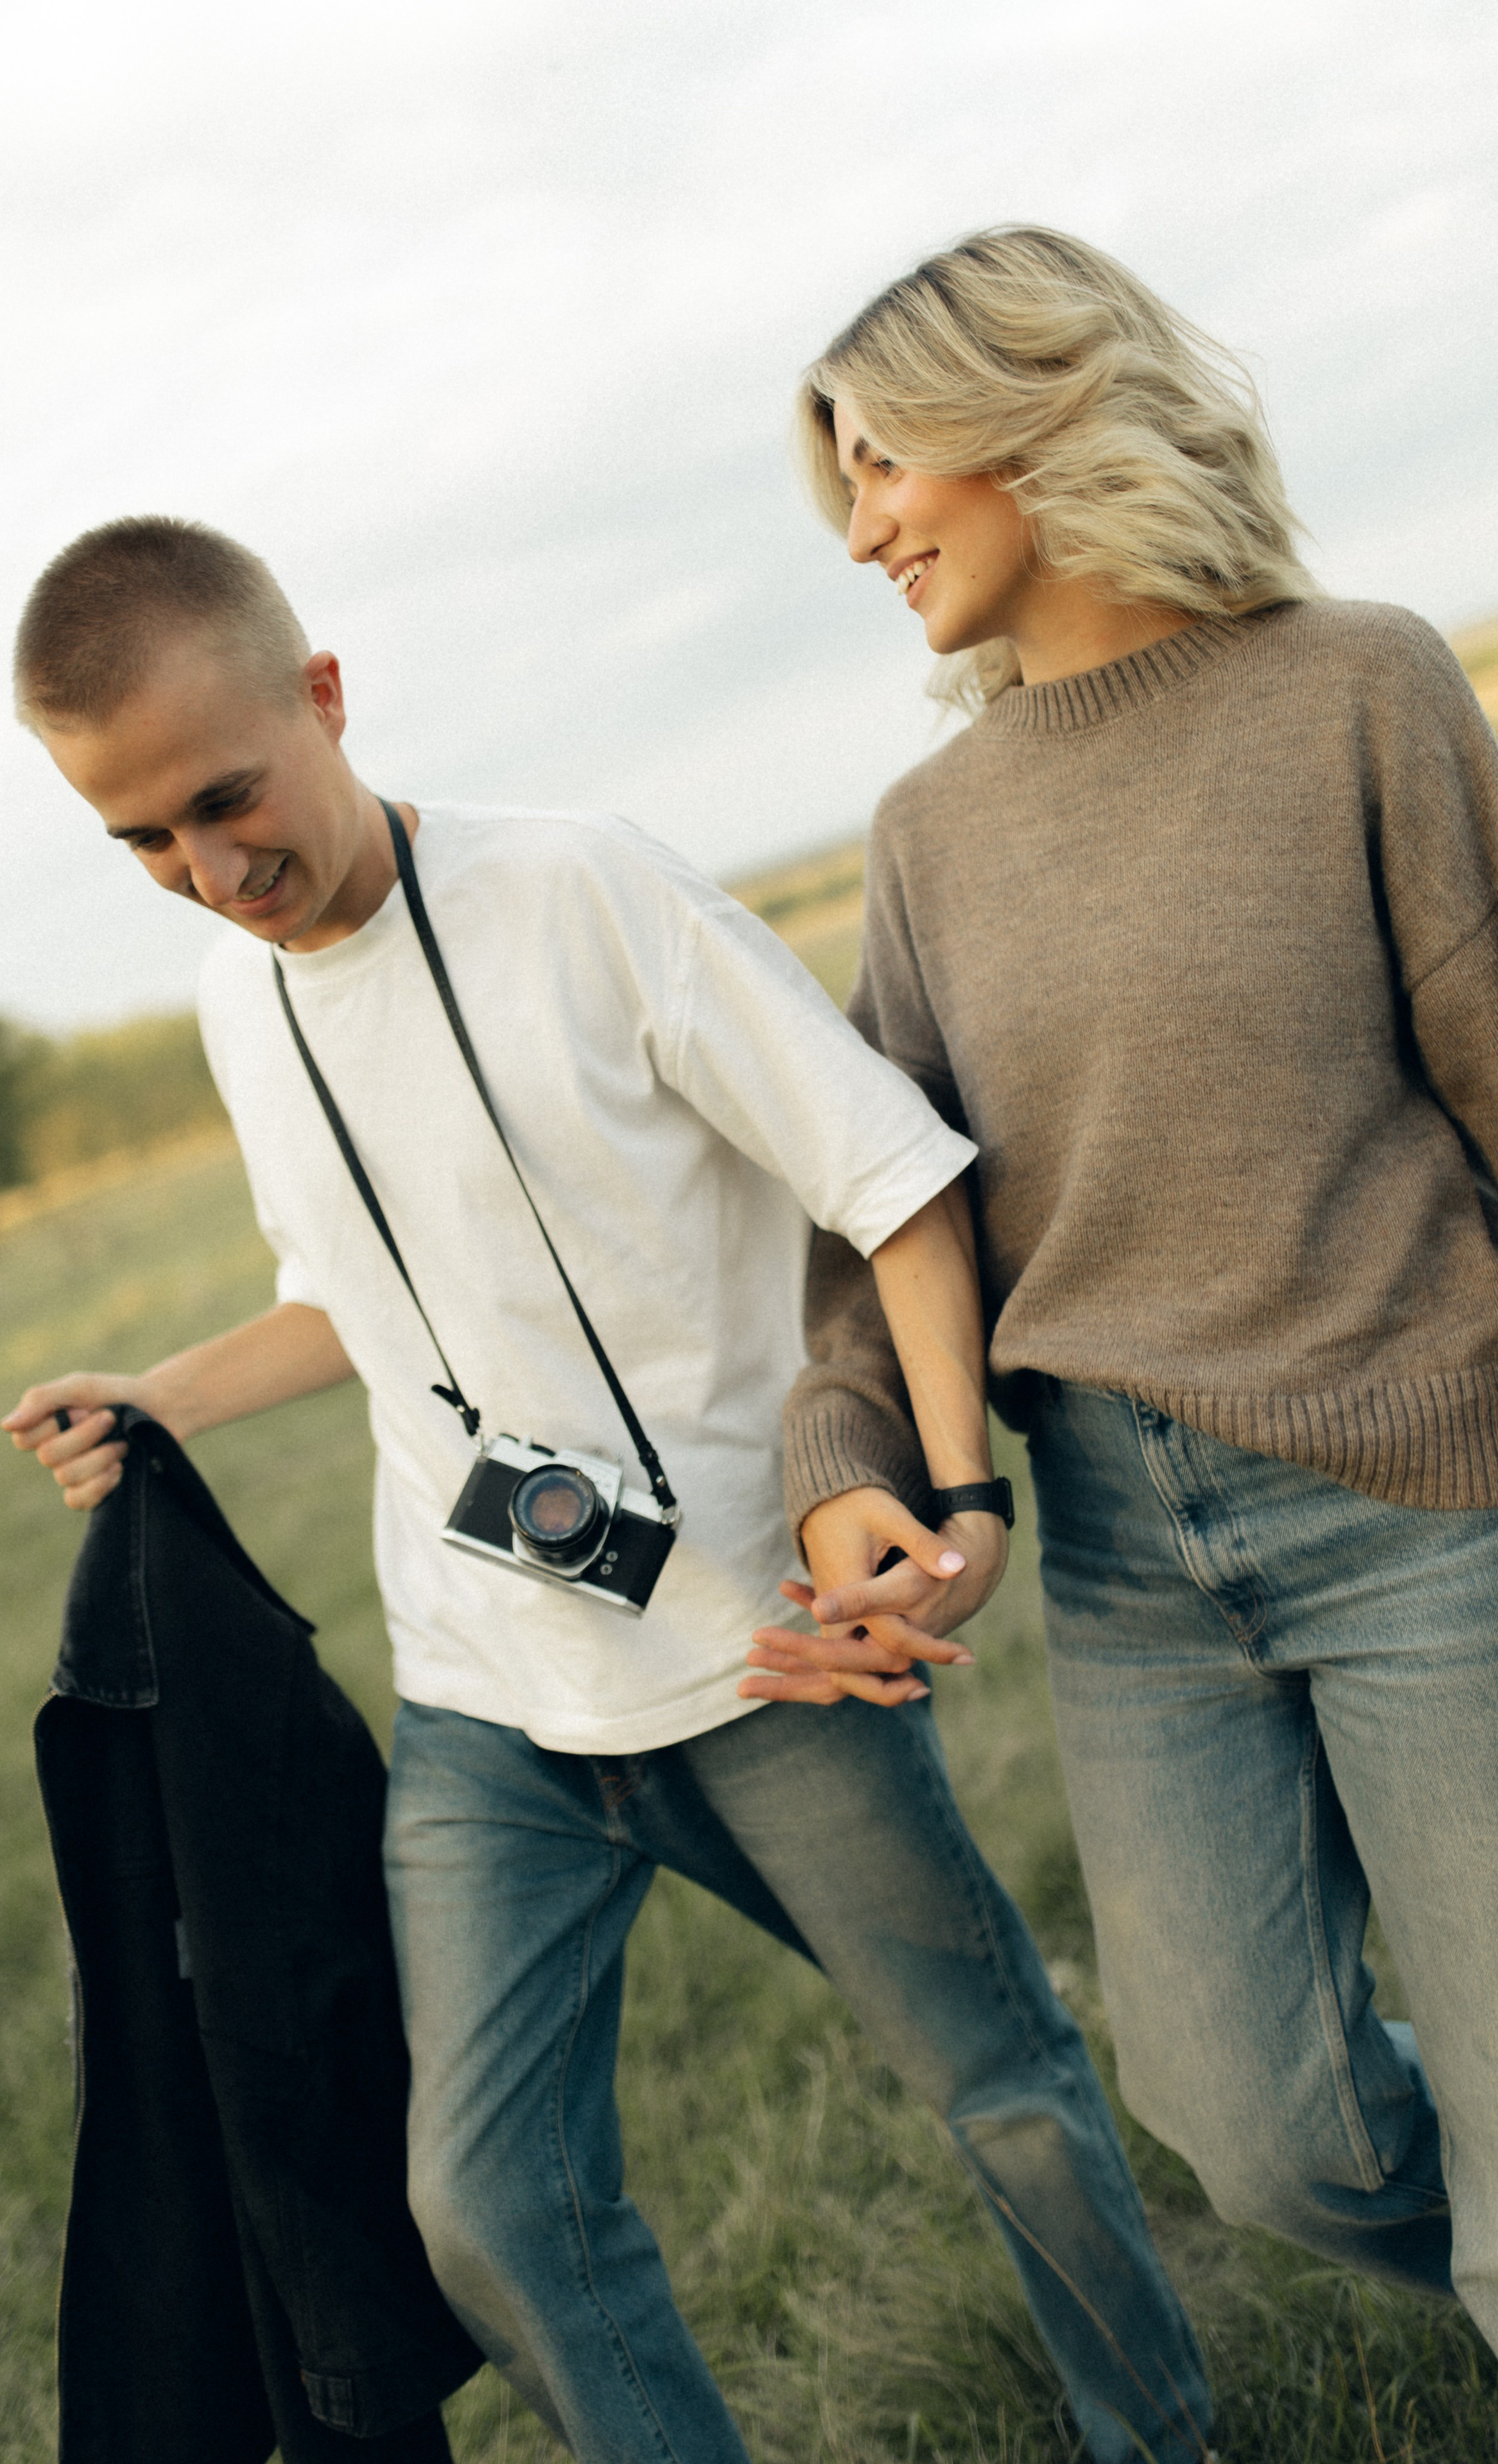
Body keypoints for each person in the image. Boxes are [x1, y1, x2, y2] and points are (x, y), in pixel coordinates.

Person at [2, 516, 1211, 2464]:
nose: (209, 876)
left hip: (771, 1660)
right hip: (486, 1704)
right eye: (142, 843)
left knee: (999, 2084)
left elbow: (892, 1184)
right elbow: (351, 1292)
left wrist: (958, 1503)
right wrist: (160, 1392)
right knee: (484, 2209)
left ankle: (1164, 2436)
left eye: (225, 802)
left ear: (321, 698)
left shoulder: (582, 889)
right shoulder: (245, 1002)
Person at [754, 221, 1498, 2348]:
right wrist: (847, 1470)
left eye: (885, 462)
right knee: (1260, 2134)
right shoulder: (927, 832)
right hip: (1125, 1570)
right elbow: (886, 1213)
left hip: (1423, 1509)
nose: (866, 525)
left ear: (1032, 417)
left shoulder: (1362, 685)